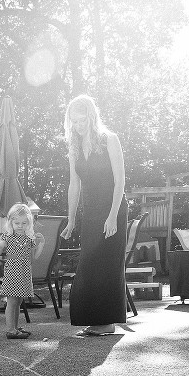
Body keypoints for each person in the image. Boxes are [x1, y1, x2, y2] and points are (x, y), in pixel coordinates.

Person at [60, 94, 127, 336]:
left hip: (113, 208)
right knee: (89, 264)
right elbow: (74, 185)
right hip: (91, 211)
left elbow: (120, 182)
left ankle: (107, 323)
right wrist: (71, 219)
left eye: (81, 120)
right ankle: (94, 320)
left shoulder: (110, 140)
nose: (78, 126)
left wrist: (112, 216)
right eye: (73, 122)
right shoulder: (74, 148)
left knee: (108, 265)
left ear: (91, 116)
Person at [0, 203, 45, 339]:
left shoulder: (29, 238)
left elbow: (34, 258)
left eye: (23, 223)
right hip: (12, 270)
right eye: (17, 223)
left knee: (19, 300)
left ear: (29, 223)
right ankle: (11, 330)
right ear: (11, 223)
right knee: (11, 300)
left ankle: (15, 327)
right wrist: (0, 245)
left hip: (24, 271)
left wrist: (41, 244)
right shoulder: (7, 236)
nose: (20, 226)